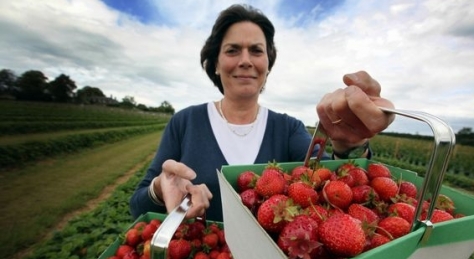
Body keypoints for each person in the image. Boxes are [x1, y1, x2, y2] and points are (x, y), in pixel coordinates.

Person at [130, 4, 395, 222]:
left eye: (256, 50)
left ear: (267, 65)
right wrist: (158, 190)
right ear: (215, 65)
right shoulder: (186, 122)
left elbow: (331, 183)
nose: (245, 60)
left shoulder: (287, 128)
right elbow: (137, 206)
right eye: (232, 50)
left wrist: (350, 146)